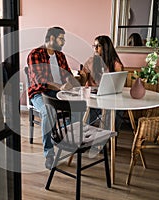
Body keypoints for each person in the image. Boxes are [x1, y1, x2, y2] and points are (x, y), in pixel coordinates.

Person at [26, 26, 78, 169]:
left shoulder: (60, 56)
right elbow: (40, 80)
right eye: (61, 38)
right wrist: (59, 86)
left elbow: (68, 75)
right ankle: (49, 154)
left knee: (79, 107)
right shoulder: (35, 54)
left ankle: (65, 139)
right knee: (49, 111)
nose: (64, 42)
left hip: (58, 93)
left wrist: (78, 85)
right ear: (52, 38)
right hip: (39, 93)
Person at [81, 35, 124, 130]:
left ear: (106, 48)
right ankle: (87, 134)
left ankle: (109, 135)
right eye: (94, 46)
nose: (95, 49)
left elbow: (118, 86)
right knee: (89, 112)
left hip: (108, 97)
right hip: (92, 97)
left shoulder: (115, 64)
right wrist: (82, 76)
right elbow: (84, 80)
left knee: (118, 111)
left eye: (98, 46)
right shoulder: (90, 61)